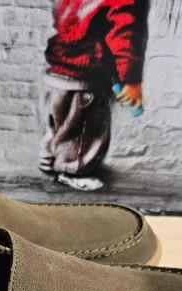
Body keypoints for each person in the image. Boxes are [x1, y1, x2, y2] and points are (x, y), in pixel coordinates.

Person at [40, 0, 149, 191]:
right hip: (85, 74)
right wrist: (130, 80)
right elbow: (124, 34)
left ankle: (50, 159)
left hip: (58, 68)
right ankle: (73, 170)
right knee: (84, 129)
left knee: (60, 122)